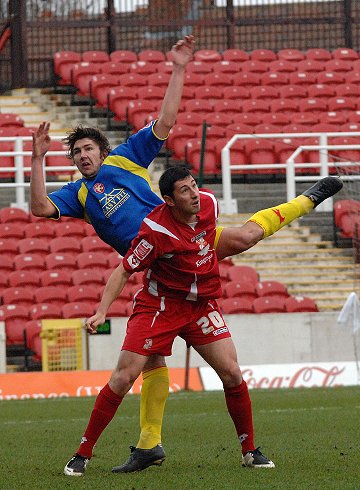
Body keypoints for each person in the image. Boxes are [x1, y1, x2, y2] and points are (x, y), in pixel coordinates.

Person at [31, 36, 344, 474]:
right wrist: (38, 159)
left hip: (188, 243)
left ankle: (309, 199)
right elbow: (40, 209)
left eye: (88, 149)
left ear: (103, 150)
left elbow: (165, 121)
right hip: (158, 268)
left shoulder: (125, 160)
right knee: (148, 362)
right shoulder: (77, 194)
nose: (83, 156)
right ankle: (146, 446)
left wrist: (178, 67)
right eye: (77, 152)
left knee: (244, 238)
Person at [64, 165, 277, 476]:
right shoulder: (154, 231)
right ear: (169, 200)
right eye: (184, 191)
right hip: (159, 306)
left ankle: (249, 451)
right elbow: (124, 270)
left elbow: (222, 238)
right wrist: (101, 310)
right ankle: (82, 453)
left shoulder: (208, 203)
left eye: (193, 186)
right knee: (124, 377)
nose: (194, 194)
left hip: (199, 305)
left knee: (231, 372)